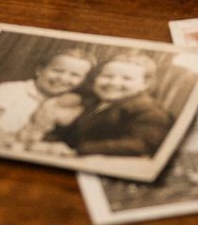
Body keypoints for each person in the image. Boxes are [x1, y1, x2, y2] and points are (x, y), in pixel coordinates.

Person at [36, 52, 175, 159]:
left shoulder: (149, 110)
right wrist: (49, 142)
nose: (113, 83)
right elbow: (70, 132)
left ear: (145, 84)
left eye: (126, 78)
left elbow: (141, 145)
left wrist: (78, 149)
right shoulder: (93, 103)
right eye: (107, 76)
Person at [0, 46, 95, 150]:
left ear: (82, 82)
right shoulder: (11, 89)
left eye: (75, 75)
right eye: (57, 70)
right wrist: (7, 145)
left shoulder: (69, 105)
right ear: (40, 70)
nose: (63, 78)